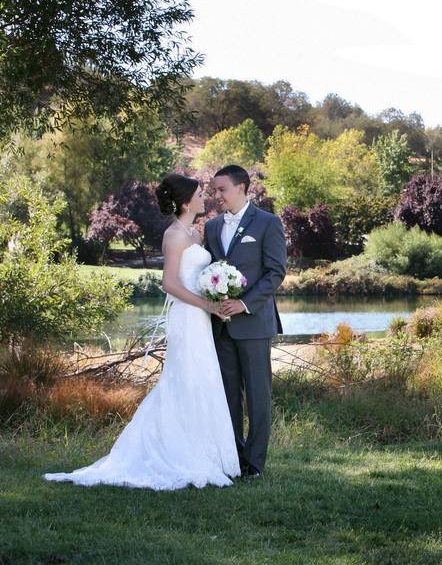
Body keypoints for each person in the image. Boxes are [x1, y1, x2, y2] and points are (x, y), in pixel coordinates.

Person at [43, 174, 242, 489]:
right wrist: (207, 304)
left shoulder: (195, 233)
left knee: (201, 380)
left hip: (201, 318)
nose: (205, 198)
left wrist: (217, 288)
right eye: (200, 194)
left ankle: (204, 452)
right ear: (185, 201)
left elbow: (198, 274)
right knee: (183, 380)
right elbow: (170, 284)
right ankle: (172, 453)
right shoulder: (175, 235)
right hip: (187, 316)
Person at [205, 164, 287, 479]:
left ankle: (254, 464)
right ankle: (233, 459)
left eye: (222, 189)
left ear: (242, 187)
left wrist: (243, 303)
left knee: (257, 396)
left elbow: (275, 272)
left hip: (253, 324)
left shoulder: (268, 223)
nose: (217, 195)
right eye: (214, 190)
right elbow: (209, 272)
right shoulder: (212, 228)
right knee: (227, 396)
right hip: (220, 326)